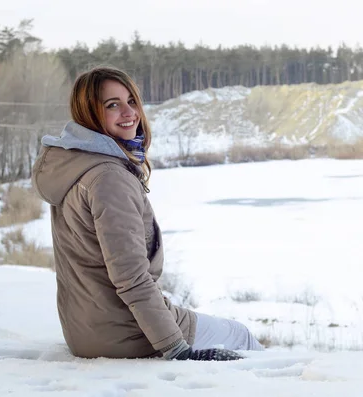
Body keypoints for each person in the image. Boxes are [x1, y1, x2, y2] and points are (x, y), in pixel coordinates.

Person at [31, 65, 263, 361]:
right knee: (239, 335)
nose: (129, 113)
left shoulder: (75, 165)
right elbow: (131, 277)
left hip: (85, 330)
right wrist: (178, 350)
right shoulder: (108, 179)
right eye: (112, 105)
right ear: (89, 113)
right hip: (124, 333)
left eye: (132, 101)